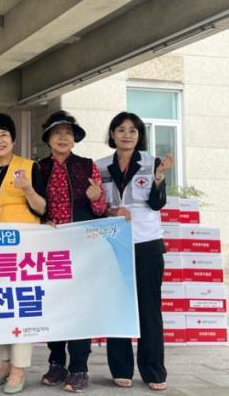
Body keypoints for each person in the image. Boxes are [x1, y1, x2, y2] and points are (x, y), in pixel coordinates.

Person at [96, 112, 173, 392]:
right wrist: (111, 211)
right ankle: (120, 368)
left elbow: (157, 204)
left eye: (132, 130)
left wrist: (159, 179)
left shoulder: (152, 163)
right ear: (112, 134)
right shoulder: (100, 166)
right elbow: (96, 206)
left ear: (139, 135)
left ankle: (153, 370)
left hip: (146, 242)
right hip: (114, 242)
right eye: (121, 130)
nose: (126, 135)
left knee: (149, 309)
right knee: (118, 306)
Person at [36, 110, 107, 393]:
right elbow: (33, 207)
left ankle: (79, 367)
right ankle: (56, 362)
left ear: (74, 139)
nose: (63, 138)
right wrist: (42, 221)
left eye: (68, 133)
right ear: (48, 139)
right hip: (51, 248)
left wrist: (96, 198)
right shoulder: (39, 168)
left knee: (80, 306)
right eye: (57, 133)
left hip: (82, 247)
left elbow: (100, 210)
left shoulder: (88, 166)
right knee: (55, 304)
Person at [0, 113, 46, 395]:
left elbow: (42, 208)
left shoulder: (30, 167)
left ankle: (19, 369)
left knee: (21, 308)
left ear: (13, 139)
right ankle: (5, 364)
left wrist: (28, 189)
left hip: (23, 252)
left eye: (4, 135)